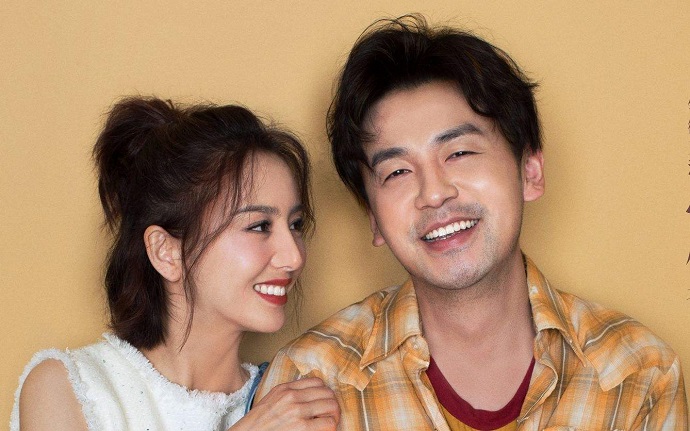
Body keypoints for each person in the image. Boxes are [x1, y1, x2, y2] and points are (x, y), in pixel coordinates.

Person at [257, 15, 688, 430]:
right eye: (397, 172)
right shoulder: (311, 378)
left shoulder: (638, 373)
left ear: (529, 171)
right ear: (373, 217)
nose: (433, 193)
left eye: (459, 153)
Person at [11, 97, 340, 431]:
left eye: (296, 224)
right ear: (166, 251)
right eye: (259, 226)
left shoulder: (293, 403)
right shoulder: (68, 388)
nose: (294, 257)